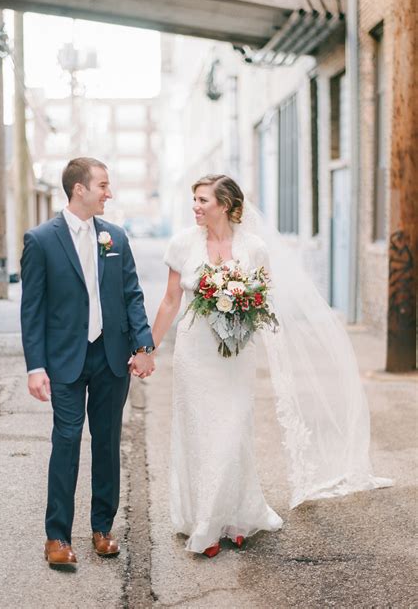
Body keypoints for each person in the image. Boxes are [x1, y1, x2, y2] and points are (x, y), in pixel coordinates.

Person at [152, 174, 391, 558]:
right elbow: (168, 301)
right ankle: (208, 521)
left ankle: (236, 516)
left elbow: (263, 299)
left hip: (235, 357)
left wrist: (255, 321)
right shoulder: (182, 244)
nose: (195, 207)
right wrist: (148, 347)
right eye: (193, 200)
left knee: (233, 431)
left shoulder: (254, 248)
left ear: (225, 205)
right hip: (195, 354)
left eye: (202, 200)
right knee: (201, 434)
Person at [20, 157, 155, 567]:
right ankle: (57, 536)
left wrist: (144, 346)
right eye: (103, 185)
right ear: (79, 188)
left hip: (111, 356)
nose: (108, 193)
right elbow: (33, 309)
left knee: (108, 442)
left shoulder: (115, 237)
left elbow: (131, 293)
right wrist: (35, 366)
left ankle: (102, 529)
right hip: (64, 359)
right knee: (66, 440)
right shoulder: (41, 240)